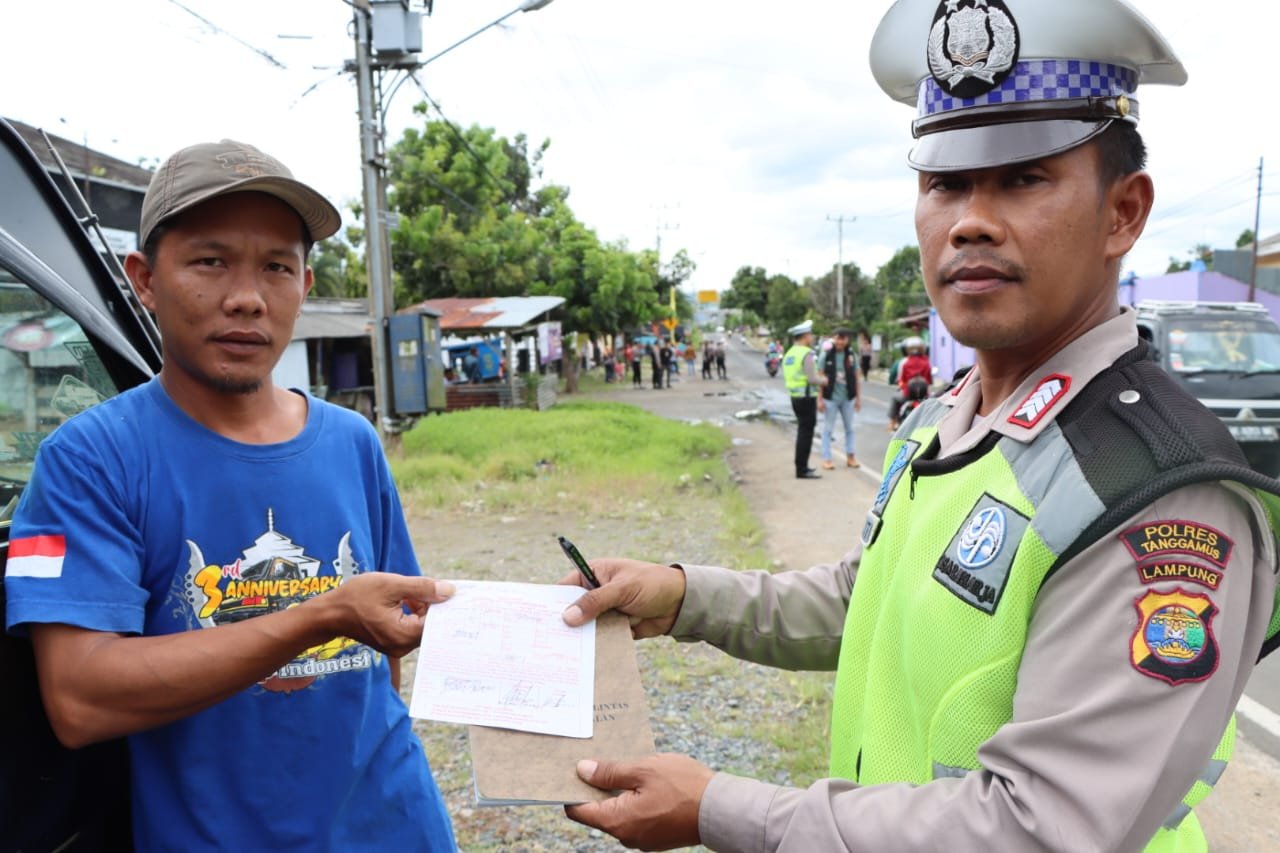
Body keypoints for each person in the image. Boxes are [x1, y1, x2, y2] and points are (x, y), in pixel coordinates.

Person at [556, 2, 1280, 850]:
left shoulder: (1155, 492)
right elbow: (873, 600)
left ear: (1123, 212)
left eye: (1024, 177)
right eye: (945, 183)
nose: (970, 218)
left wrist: (719, 806)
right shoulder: (946, 415)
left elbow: (1039, 826)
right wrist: (685, 595)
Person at [2, 140, 457, 850]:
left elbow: (382, 660)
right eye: (211, 262)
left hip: (397, 826)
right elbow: (79, 699)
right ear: (145, 279)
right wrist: (319, 615)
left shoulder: (353, 441)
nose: (247, 296)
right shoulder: (88, 460)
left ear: (304, 284)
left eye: (277, 266)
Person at [781, 320, 824, 479]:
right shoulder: (806, 354)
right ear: (805, 336)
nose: (812, 337)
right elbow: (812, 379)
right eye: (810, 334)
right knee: (805, 433)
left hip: (795, 397)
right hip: (806, 398)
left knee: (802, 431)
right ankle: (802, 469)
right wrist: (825, 381)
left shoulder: (790, 353)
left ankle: (802, 466)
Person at [817, 327, 862, 469]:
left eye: (842, 338)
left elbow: (856, 378)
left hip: (847, 399)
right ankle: (826, 459)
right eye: (836, 338)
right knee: (828, 430)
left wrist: (858, 398)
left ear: (847, 340)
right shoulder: (826, 356)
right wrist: (819, 399)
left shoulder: (851, 356)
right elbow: (820, 377)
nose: (839, 341)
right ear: (833, 339)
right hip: (830, 399)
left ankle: (851, 457)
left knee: (850, 429)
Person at [888, 336, 932, 430]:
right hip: (924, 395)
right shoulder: (926, 362)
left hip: (907, 394)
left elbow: (901, 380)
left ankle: (892, 422)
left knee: (895, 398)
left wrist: (902, 384)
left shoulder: (905, 362)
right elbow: (929, 381)